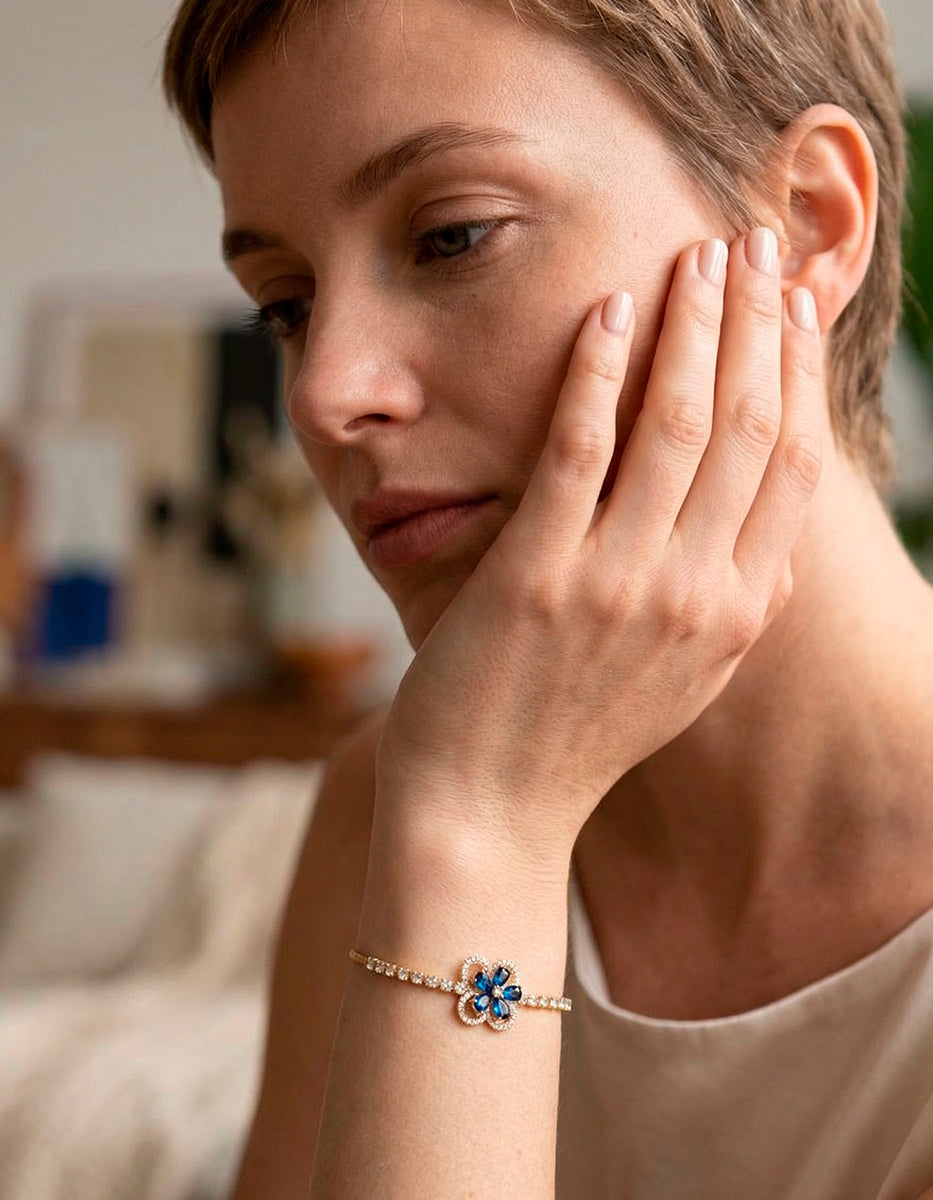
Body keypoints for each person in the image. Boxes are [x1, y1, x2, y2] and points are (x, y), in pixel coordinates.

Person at [162, 0, 933, 1195]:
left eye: (454, 236)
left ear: (805, 224)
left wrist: (482, 822)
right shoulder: (400, 797)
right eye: (288, 304)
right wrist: (475, 826)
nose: (323, 393)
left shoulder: (440, 793)